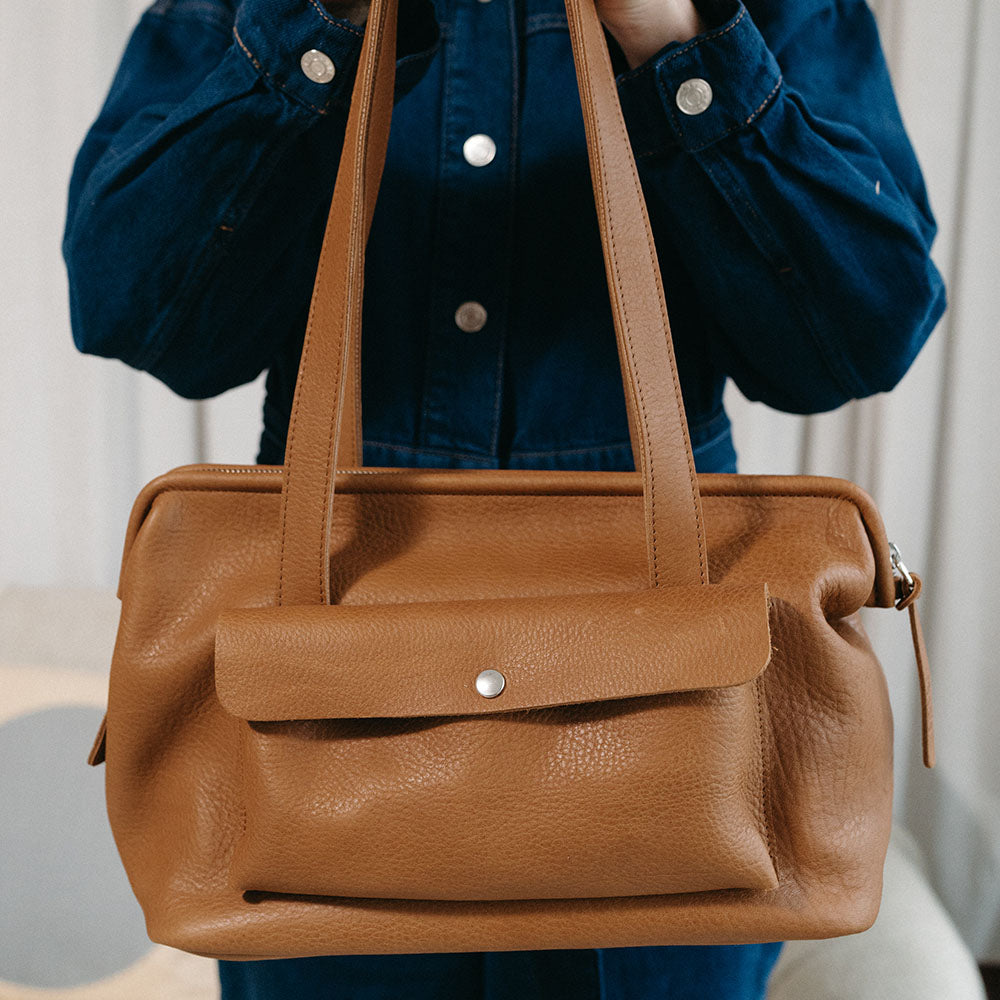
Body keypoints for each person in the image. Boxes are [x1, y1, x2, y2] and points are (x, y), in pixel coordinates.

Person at [63, 0, 945, 995]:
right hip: (327, 722)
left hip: (675, 709)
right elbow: (135, 310)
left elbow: (861, 337)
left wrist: (676, 42)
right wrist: (316, 33)